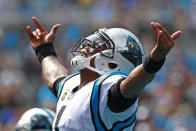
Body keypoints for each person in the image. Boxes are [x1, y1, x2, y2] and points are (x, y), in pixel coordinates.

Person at [26, 17, 182, 131]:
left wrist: (154, 60)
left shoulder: (110, 90)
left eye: (99, 45)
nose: (87, 45)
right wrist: (44, 51)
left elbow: (135, 84)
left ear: (113, 63)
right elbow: (55, 78)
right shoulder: (73, 85)